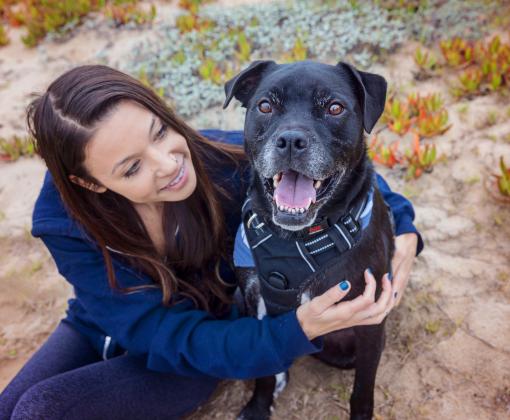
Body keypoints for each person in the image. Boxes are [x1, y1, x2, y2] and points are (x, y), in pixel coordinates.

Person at [0, 65, 423, 419]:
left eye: (161, 131)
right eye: (132, 169)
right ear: (89, 182)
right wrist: (297, 330)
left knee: (38, 409)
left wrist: (404, 227)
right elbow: (148, 328)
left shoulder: (219, 158)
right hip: (125, 324)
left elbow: (347, 169)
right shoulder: (62, 222)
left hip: (203, 345)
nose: (169, 164)